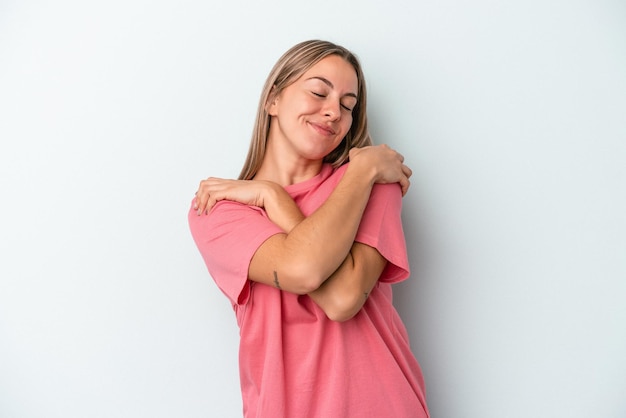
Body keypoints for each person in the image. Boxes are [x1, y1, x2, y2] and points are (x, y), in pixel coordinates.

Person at [188, 39, 430, 418]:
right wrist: (274, 193)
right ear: (273, 99)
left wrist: (357, 172)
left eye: (348, 106)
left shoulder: (368, 183)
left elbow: (344, 299)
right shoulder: (218, 210)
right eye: (319, 91)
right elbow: (303, 269)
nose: (334, 111)